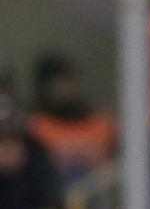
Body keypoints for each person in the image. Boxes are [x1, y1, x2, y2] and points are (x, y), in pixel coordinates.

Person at [26, 53, 117, 182]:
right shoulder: (35, 128)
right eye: (57, 83)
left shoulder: (102, 124)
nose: (64, 89)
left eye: (68, 81)